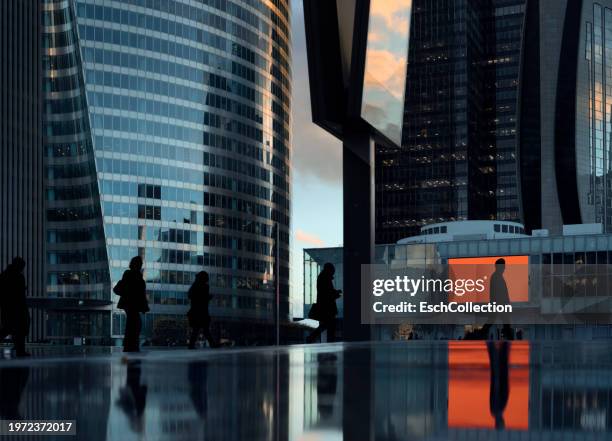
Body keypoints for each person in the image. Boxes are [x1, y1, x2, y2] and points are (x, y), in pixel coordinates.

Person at [116, 256, 149, 352]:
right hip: (131, 304)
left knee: (133, 323)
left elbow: (140, 292)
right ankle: (131, 345)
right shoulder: (133, 275)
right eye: (140, 263)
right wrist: (144, 307)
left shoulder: (131, 274)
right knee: (134, 324)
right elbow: (139, 293)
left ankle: (130, 345)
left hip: (129, 304)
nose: (141, 265)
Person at [0, 257, 30, 356]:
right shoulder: (19, 277)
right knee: (19, 330)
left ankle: (20, 350)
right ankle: (20, 350)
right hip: (18, 308)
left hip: (7, 308)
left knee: (7, 328)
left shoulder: (4, 275)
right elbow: (20, 295)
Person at [307, 263, 342, 343]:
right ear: (329, 270)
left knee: (326, 324)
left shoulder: (322, 277)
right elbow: (327, 293)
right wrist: (336, 293)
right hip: (327, 307)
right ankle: (315, 338)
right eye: (333, 271)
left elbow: (325, 292)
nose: (333, 272)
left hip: (324, 306)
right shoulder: (325, 278)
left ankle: (312, 337)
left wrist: (335, 293)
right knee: (329, 325)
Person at [481, 258, 513, 340]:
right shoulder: (496, 277)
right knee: (503, 321)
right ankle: (510, 338)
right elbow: (499, 293)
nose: (504, 268)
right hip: (499, 304)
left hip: (498, 304)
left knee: (495, 321)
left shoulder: (497, 277)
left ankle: (480, 334)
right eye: (503, 266)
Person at [187, 271, 218, 349]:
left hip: (196, 311)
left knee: (197, 329)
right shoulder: (205, 286)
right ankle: (211, 344)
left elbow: (190, 295)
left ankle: (192, 345)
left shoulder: (195, 285)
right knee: (204, 329)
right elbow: (203, 298)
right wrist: (208, 297)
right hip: (202, 311)